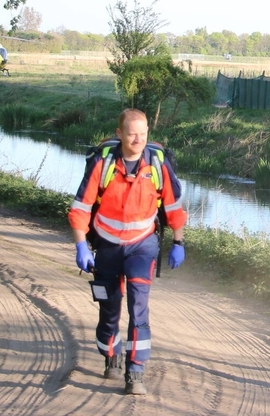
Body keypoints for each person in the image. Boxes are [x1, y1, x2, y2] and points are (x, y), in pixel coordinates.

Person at [68, 109, 187, 395]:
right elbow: (81, 208)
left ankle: (135, 372)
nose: (138, 139)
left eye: (143, 133)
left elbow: (173, 207)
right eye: (132, 133)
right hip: (107, 246)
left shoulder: (156, 166)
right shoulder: (104, 163)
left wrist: (179, 242)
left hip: (142, 246)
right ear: (119, 133)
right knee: (109, 310)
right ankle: (111, 356)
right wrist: (81, 245)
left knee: (138, 306)